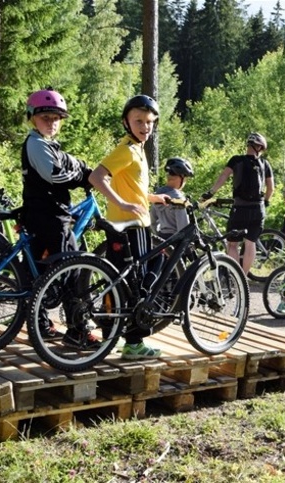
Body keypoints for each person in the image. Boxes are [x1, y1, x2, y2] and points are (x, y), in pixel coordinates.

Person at [89, 94, 166, 360]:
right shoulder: (126, 150)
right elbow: (96, 177)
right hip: (130, 226)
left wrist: (156, 198)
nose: (145, 127)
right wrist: (121, 202)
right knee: (137, 283)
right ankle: (133, 343)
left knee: (122, 281)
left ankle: (116, 336)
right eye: (139, 121)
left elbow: (133, 189)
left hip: (130, 224)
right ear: (126, 122)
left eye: (149, 122)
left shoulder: (136, 149)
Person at [20, 89, 94, 343]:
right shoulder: (36, 144)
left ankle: (41, 325)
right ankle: (78, 331)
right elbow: (55, 175)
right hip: (50, 217)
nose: (51, 123)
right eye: (45, 118)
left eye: (56, 118)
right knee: (74, 269)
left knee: (40, 272)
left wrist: (86, 169)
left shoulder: (47, 144)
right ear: (32, 118)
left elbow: (71, 163)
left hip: (43, 215)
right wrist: (83, 178)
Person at [203, 132, 274, 275]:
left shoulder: (236, 160)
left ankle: (236, 278)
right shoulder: (265, 164)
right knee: (250, 243)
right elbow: (271, 188)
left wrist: (211, 193)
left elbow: (223, 176)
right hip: (258, 209)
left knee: (233, 244)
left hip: (240, 208)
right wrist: (265, 201)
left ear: (249, 145)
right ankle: (245, 276)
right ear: (260, 147)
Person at [151, 157, 194, 239]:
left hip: (162, 239)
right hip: (177, 242)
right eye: (185, 179)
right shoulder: (178, 198)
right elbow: (183, 228)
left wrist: (159, 236)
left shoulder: (157, 195)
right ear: (181, 177)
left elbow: (152, 222)